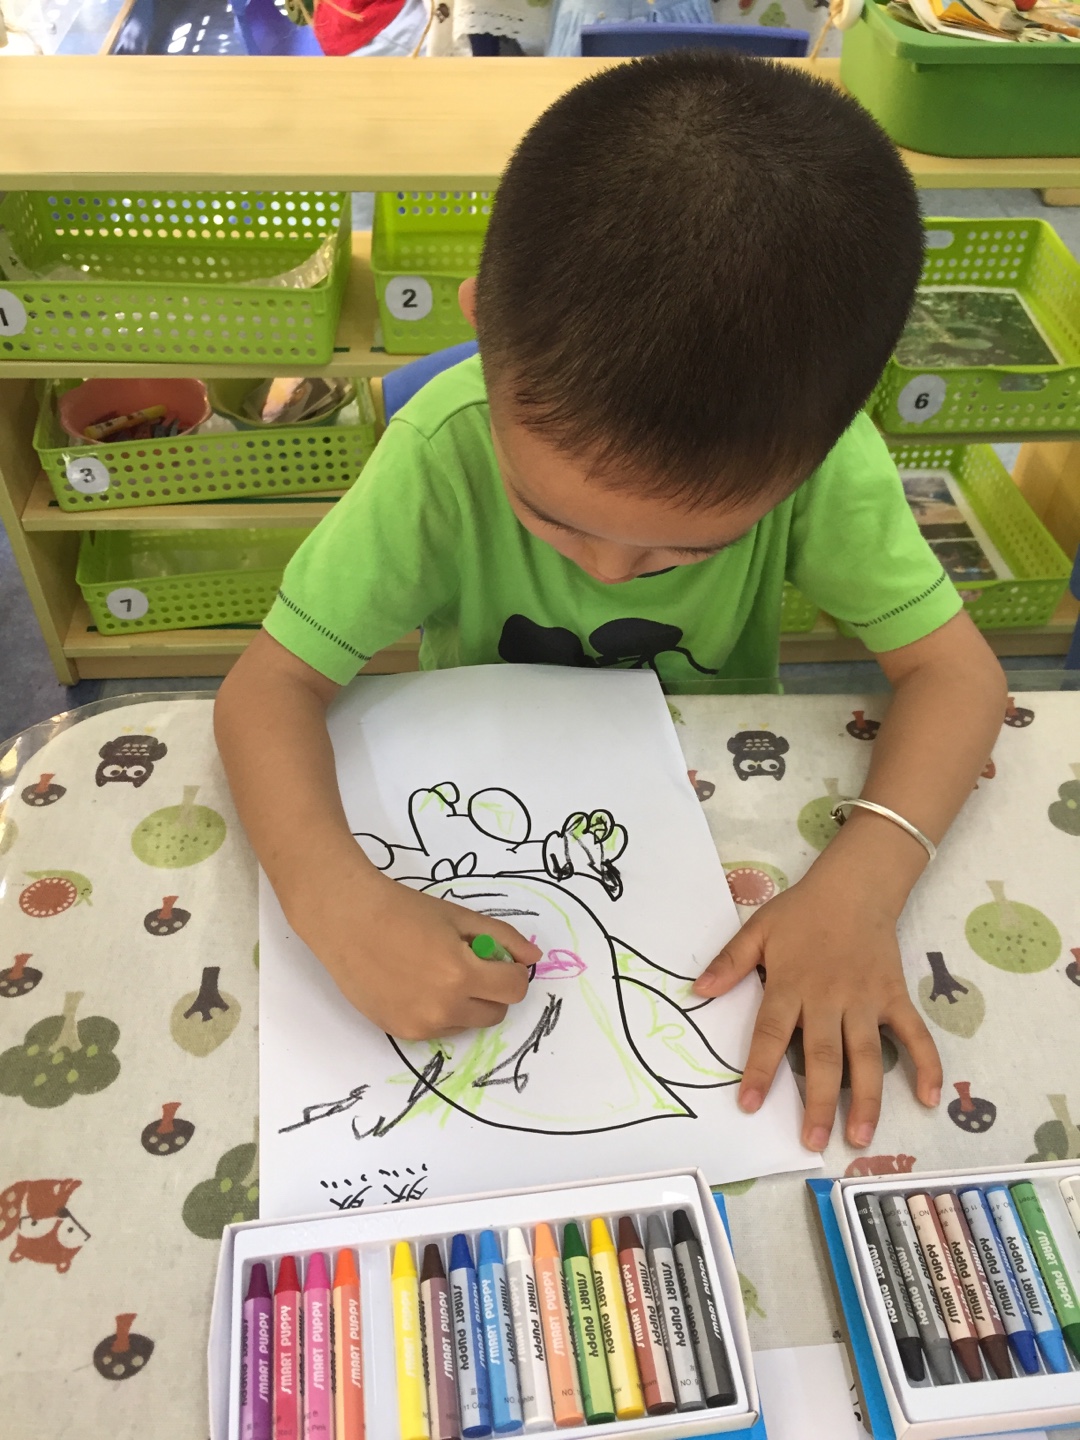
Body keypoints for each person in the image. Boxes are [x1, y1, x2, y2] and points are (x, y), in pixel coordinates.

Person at [215, 52, 1006, 1155]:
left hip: (704, 824)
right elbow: (266, 690)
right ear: (485, 326)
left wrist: (867, 882)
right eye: (552, 517)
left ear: (827, 435)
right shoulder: (441, 453)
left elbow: (958, 674)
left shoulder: (825, 469)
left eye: (688, 548)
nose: (608, 571)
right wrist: (334, 900)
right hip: (479, 804)